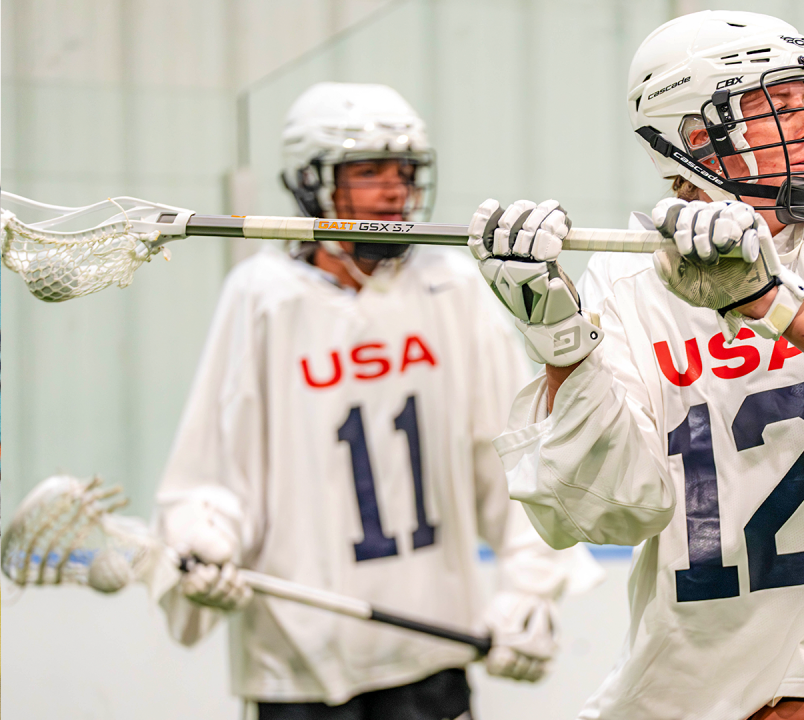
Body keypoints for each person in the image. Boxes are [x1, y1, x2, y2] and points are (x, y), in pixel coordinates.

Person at [467, 11, 804, 720]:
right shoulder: (625, 285)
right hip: (685, 676)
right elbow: (606, 509)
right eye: (779, 104)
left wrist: (769, 300)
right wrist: (558, 343)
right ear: (698, 139)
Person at [155, 82, 599, 720]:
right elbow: (217, 466)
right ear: (313, 184)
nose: (393, 191)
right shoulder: (264, 296)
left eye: (405, 172)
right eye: (369, 172)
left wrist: (531, 590)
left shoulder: (450, 290)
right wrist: (205, 544)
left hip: (431, 646)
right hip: (297, 657)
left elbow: (518, 455)